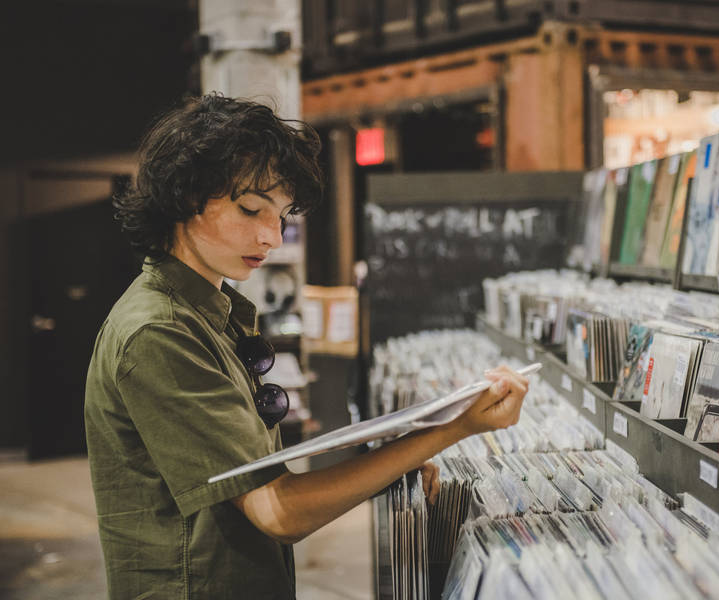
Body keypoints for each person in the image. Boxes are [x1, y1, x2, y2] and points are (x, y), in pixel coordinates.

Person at [83, 94, 529, 599]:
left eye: (282, 215)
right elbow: (279, 510)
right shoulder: (160, 332)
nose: (271, 236)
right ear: (185, 198)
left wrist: (392, 465)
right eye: (251, 209)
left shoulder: (207, 311)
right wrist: (458, 426)